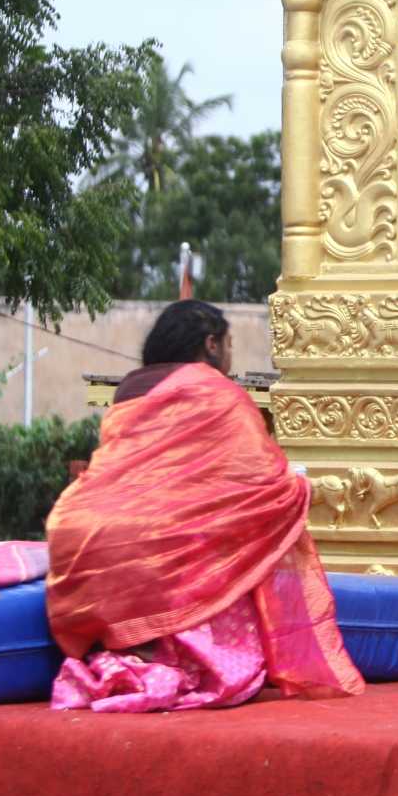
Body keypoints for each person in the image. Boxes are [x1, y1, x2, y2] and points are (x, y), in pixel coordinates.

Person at [45, 299, 363, 712]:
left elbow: (143, 478)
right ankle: (185, 656)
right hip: (153, 544)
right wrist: (298, 488)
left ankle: (135, 648)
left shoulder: (128, 390)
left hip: (79, 531)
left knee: (193, 527)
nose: (230, 357)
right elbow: (260, 482)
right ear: (211, 344)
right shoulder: (218, 393)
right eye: (229, 346)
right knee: (245, 533)